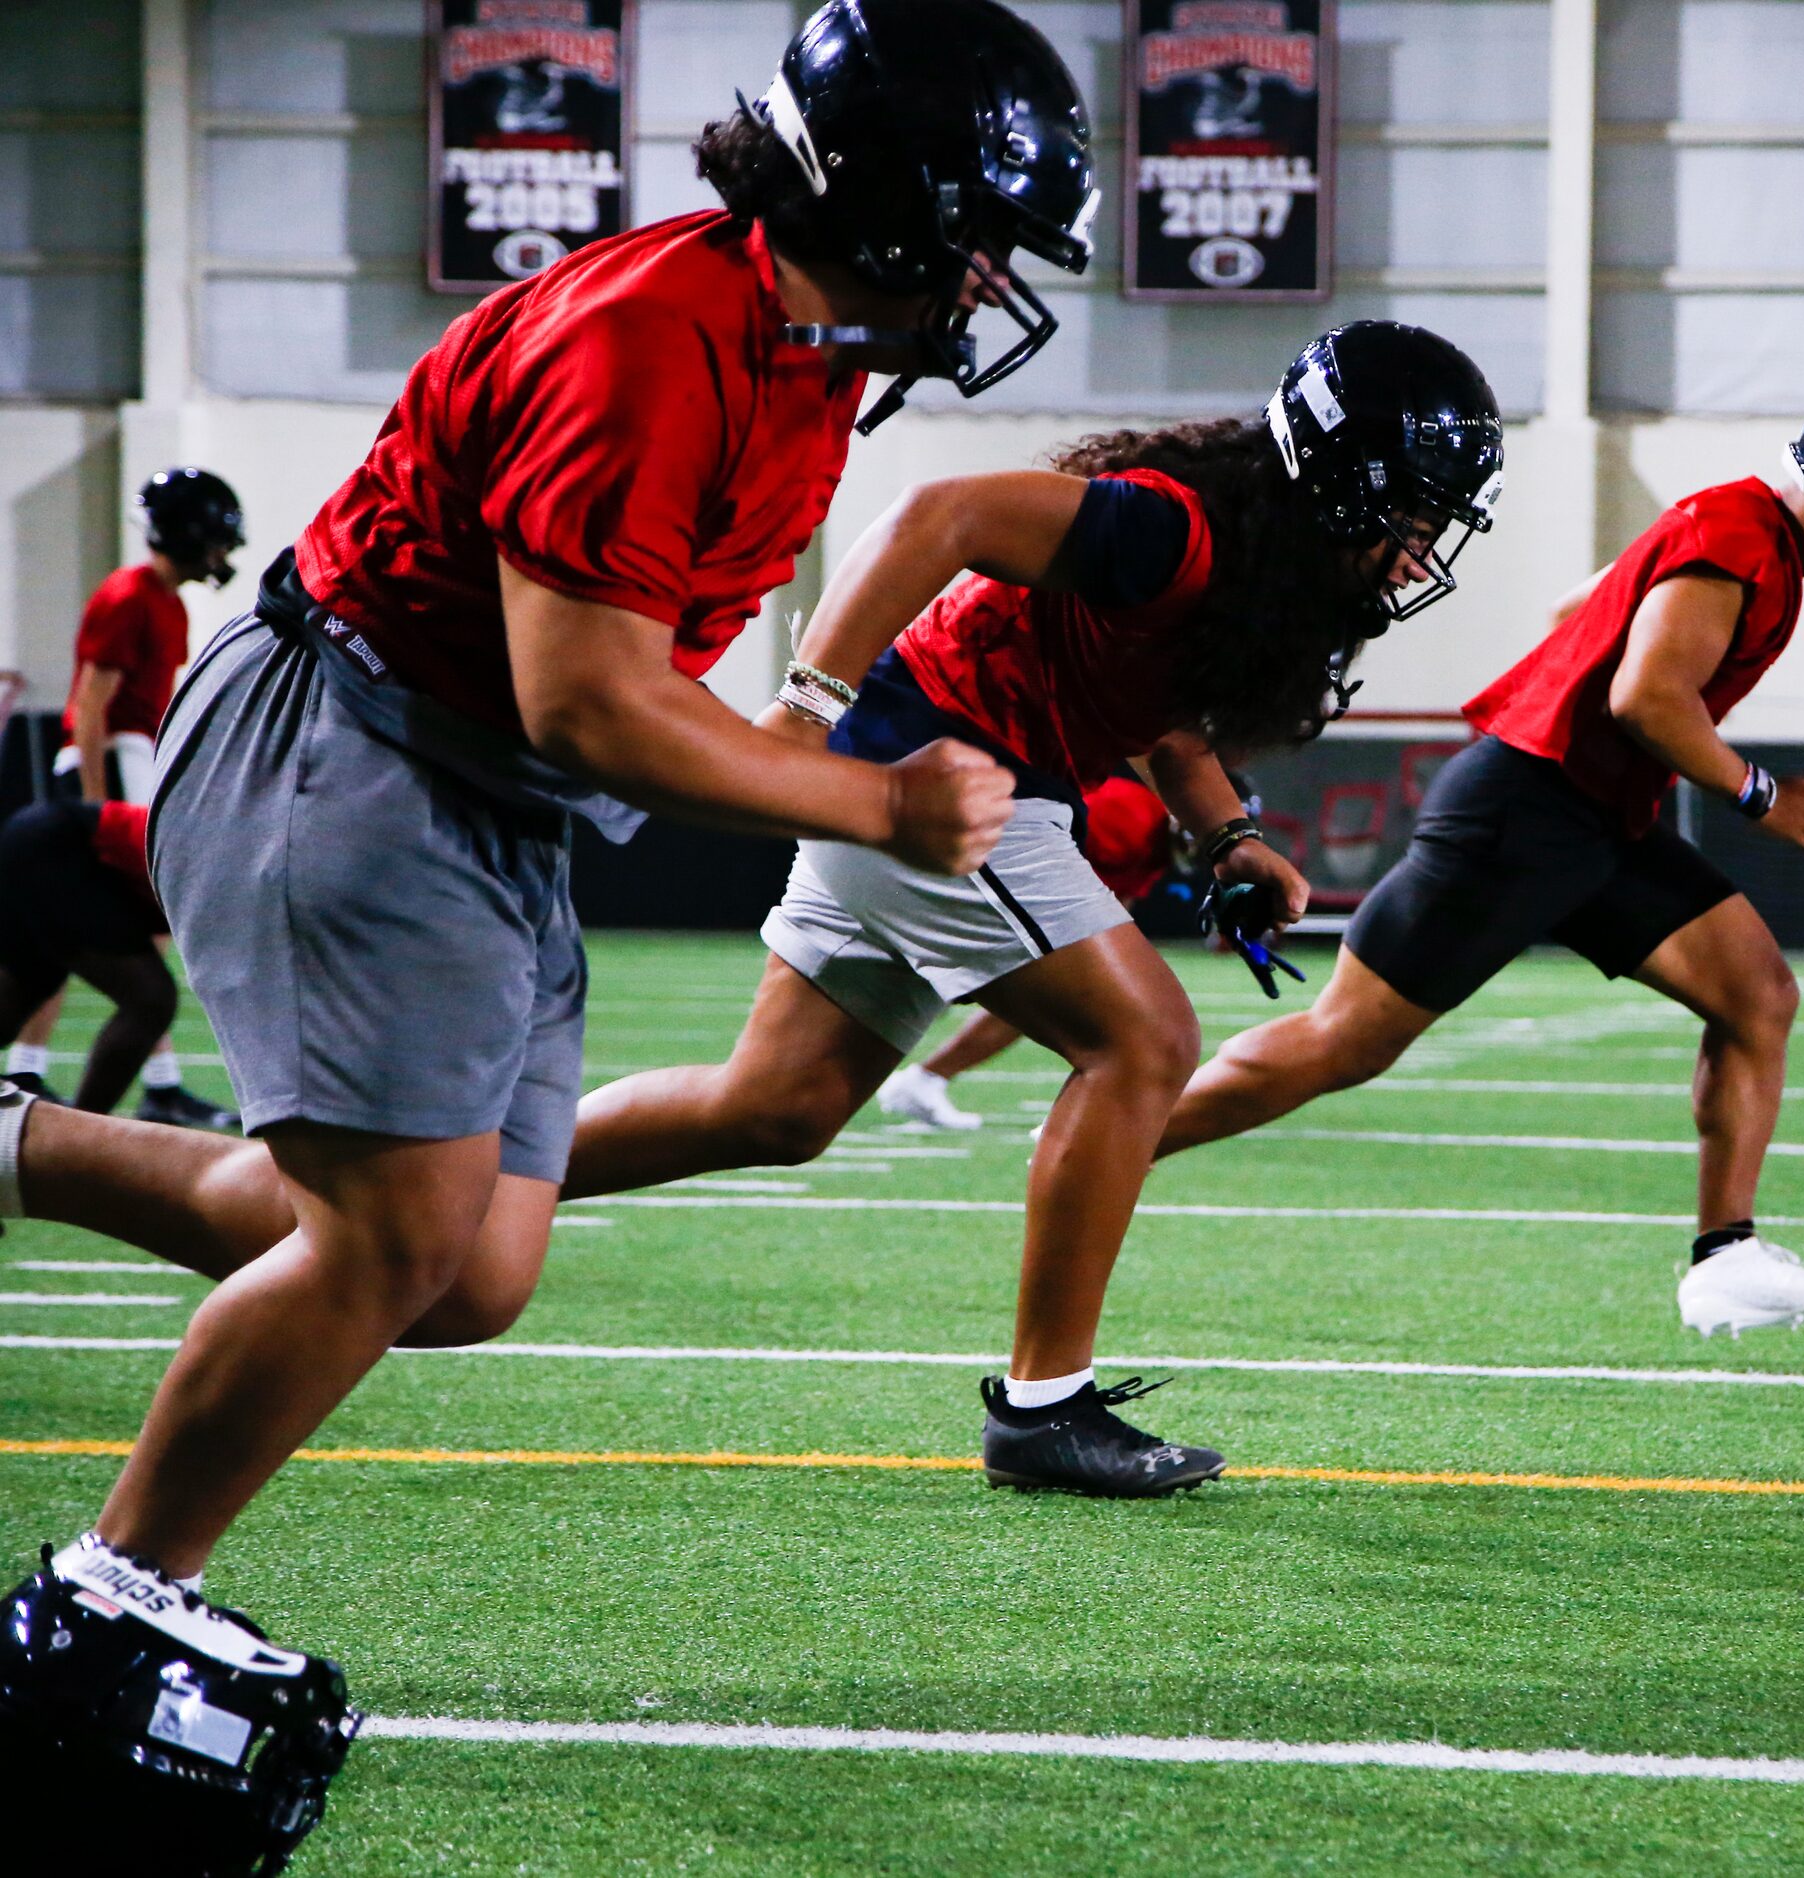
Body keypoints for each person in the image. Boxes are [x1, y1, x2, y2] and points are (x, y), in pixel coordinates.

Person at [0, 0, 1091, 1861]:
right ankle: (108, 1586)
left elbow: (625, 676)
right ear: (900, 218)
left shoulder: (801, 350)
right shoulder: (653, 337)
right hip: (352, 735)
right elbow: (587, 694)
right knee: (396, 1231)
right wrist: (871, 800)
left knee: (467, 1265)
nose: (994, 288)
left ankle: (13, 1138)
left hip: (478, 787)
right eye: (981, 244)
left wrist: (794, 742)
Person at [557, 320, 1502, 1495]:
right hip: (941, 765)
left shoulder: (1248, 551)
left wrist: (1231, 835)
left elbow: (1162, 712)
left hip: (956, 764)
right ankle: (1044, 1407)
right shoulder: (1172, 523)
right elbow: (932, 515)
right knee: (1144, 1040)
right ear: (1346, 482)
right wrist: (801, 711)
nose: (1421, 553)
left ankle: (475, 1189)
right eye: (1413, 517)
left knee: (776, 1108)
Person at [1153, 382, 1804, 1340]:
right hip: (1525, 813)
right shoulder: (1740, 537)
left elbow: (1571, 613)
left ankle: (1726, 1258)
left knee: (1756, 994)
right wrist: (1758, 795)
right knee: (1345, 1042)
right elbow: (1647, 699)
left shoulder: (1741, 529)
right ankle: (1115, 1138)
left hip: (1587, 817)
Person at [6, 469, 245, 1128]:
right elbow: (90, 704)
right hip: (105, 764)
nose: (224, 554)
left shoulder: (166, 600)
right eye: (218, 539)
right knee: (91, 924)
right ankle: (30, 1066)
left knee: (125, 935)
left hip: (129, 760)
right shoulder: (128, 594)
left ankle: (153, 1079)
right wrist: (90, 805)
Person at [877, 771, 1176, 1130]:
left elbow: (1117, 905)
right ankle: (921, 1078)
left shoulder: (1159, 847)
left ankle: (925, 1079)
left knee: (1046, 995)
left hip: (1020, 889)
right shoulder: (1130, 811)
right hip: (991, 867)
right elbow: (1050, 846)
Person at [0, 799, 175, 1117]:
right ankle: (82, 1131)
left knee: (22, 991)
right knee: (151, 998)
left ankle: (80, 1129)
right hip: (55, 844)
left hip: (34, 839)